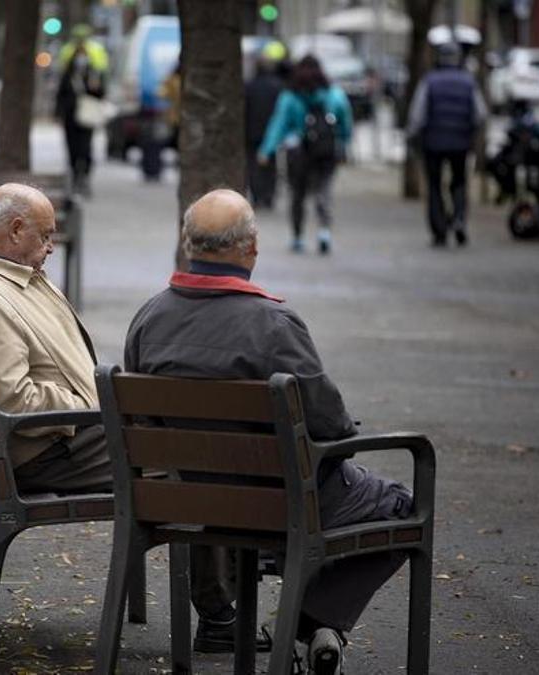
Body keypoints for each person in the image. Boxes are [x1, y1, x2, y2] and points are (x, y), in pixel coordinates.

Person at [125, 189, 414, 672]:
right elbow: (332, 426)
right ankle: (306, 623)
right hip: (280, 505)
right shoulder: (274, 325)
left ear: (187, 243)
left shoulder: (148, 319)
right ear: (250, 248)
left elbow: (144, 423)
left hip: (186, 500)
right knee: (399, 505)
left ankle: (279, 622)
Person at [0, 184, 111, 493]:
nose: (52, 247)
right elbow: (12, 400)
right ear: (16, 230)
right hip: (52, 451)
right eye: (45, 235)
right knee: (179, 463)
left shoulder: (10, 279)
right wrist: (92, 403)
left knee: (171, 444)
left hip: (66, 437)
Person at [258, 55, 353, 255]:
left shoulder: (290, 96)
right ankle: (324, 232)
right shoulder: (334, 94)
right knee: (324, 191)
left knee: (297, 195)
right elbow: (345, 122)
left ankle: (298, 237)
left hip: (298, 153)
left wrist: (267, 150)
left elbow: (279, 124)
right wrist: (344, 146)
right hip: (326, 151)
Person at [407, 41, 488, 247]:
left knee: (434, 186)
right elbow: (481, 114)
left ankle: (439, 229)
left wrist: (412, 135)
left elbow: (417, 114)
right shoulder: (469, 82)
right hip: (461, 142)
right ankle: (459, 218)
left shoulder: (430, 81)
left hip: (433, 143)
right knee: (459, 182)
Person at [56, 44, 107, 196]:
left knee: (85, 148)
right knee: (72, 148)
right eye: (79, 56)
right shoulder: (68, 74)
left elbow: (101, 93)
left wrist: (95, 87)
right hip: (71, 117)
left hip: (86, 117)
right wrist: (59, 113)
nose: (81, 59)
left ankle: (84, 176)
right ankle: (74, 176)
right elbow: (60, 95)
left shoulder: (93, 74)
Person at [245, 52, 285, 210]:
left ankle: (257, 196)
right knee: (271, 164)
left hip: (252, 131)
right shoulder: (278, 86)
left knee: (253, 164)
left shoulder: (249, 86)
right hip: (272, 132)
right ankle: (269, 195)